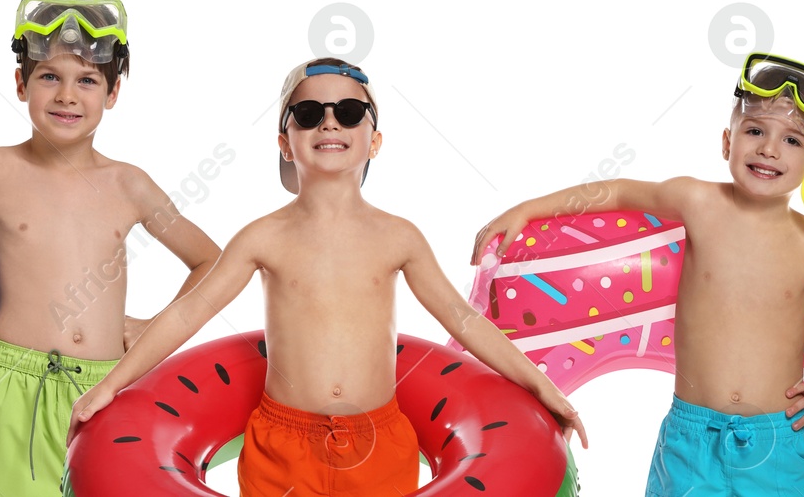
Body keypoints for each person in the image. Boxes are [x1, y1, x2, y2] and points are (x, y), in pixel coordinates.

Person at [71, 58, 585, 496]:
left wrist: (544, 389)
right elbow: (188, 312)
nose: (330, 125)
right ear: (286, 142)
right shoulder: (262, 238)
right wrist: (110, 387)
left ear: (375, 140)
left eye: (350, 112)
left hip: (380, 441)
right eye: (310, 114)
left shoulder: (399, 237)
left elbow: (463, 320)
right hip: (282, 445)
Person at [469, 52, 804, 497]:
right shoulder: (698, 201)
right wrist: (528, 208)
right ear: (726, 142)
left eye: (792, 141)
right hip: (690, 439)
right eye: (755, 131)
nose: (769, 149)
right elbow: (618, 191)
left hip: (778, 440)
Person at [0, 0, 222, 496]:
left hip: (109, 388)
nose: (67, 95)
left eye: (87, 80)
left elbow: (210, 262)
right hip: (9, 388)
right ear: (21, 83)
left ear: (112, 94)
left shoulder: (129, 185)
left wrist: (153, 328)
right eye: (49, 76)